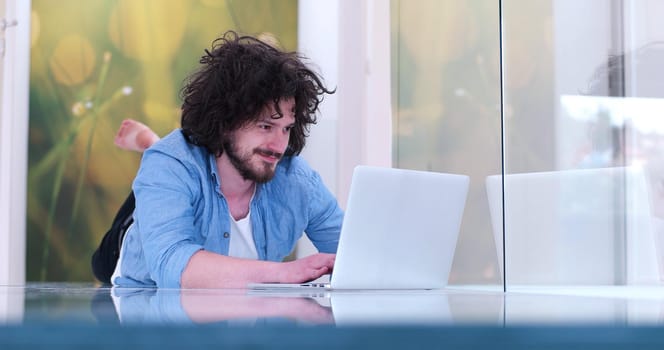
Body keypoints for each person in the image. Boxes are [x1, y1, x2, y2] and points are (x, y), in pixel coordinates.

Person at [95, 30, 343, 288]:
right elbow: (171, 265)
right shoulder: (170, 164)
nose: (279, 145)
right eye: (266, 126)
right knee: (159, 171)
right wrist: (284, 273)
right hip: (132, 265)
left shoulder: (298, 180)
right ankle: (152, 146)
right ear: (225, 121)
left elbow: (354, 255)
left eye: (286, 128)